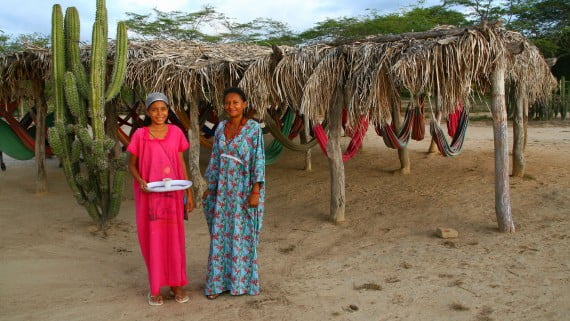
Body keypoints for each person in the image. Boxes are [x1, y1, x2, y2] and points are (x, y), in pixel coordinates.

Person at [127, 92, 194, 306]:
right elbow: (131, 165)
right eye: (154, 109)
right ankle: (155, 286)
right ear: (147, 112)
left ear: (168, 111)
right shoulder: (140, 135)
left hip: (173, 196)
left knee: (174, 239)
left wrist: (188, 193)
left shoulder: (176, 132)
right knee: (153, 239)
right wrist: (141, 181)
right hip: (150, 197)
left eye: (163, 109)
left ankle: (177, 284)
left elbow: (181, 164)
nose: (159, 113)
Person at [202, 87, 265, 299]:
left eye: (236, 102)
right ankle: (217, 285)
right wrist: (209, 187)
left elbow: (259, 160)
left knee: (242, 235)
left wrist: (256, 190)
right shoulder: (220, 128)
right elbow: (215, 159)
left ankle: (241, 283)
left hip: (244, 190)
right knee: (220, 236)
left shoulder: (253, 129)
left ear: (244, 104)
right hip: (222, 192)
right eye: (227, 103)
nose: (231, 106)